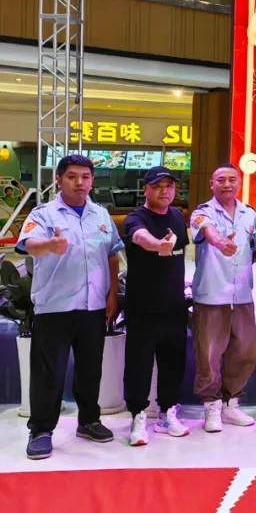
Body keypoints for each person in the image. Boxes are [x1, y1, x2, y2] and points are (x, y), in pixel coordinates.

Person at [17, 154, 123, 460]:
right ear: (59, 180)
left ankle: (88, 421)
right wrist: (50, 245)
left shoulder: (101, 215)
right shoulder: (44, 213)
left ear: (92, 181)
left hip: (93, 306)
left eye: (85, 177)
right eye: (72, 176)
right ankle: (41, 430)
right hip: (55, 307)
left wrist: (112, 294)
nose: (80, 183)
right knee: (49, 373)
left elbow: (112, 254)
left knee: (90, 369)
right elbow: (29, 244)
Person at [122, 166, 191, 446]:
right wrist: (156, 245)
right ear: (146, 189)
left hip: (174, 306)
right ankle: (138, 416)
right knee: (138, 365)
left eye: (169, 186)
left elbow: (180, 252)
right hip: (143, 308)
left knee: (173, 364)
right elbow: (140, 237)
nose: (165, 191)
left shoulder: (177, 216)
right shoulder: (135, 218)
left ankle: (167, 413)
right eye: (158, 186)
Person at [190, 164, 256, 432]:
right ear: (212, 184)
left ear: (239, 183)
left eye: (232, 180)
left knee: (245, 351)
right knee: (208, 354)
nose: (227, 184)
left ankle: (231, 403)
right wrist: (220, 242)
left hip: (242, 295)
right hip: (212, 295)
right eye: (221, 180)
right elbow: (207, 230)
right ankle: (211, 405)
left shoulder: (249, 214)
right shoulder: (202, 212)